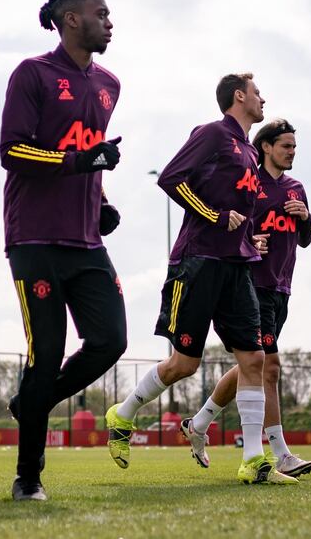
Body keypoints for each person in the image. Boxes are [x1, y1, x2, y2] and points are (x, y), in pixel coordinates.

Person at [106, 73, 299, 485]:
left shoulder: (249, 151)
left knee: (253, 359)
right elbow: (170, 177)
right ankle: (122, 414)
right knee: (184, 365)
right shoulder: (213, 133)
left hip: (237, 266)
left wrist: (251, 238)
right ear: (239, 96)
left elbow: (239, 212)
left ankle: (253, 460)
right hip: (197, 262)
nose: (263, 98)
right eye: (258, 92)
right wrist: (213, 216)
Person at [0, 0, 128, 501]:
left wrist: (100, 202)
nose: (110, 21)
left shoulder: (109, 85)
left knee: (111, 340)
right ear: (69, 20)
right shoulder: (32, 73)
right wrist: (81, 163)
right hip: (33, 238)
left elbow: (88, 153)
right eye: (101, 14)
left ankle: (33, 402)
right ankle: (28, 477)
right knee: (45, 354)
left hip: (86, 239)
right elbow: (12, 151)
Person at [181, 118, 311, 477]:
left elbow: (306, 239)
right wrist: (249, 241)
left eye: (294, 147)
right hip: (250, 285)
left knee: (251, 365)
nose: (291, 152)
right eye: (285, 145)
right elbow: (232, 227)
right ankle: (280, 453)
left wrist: (306, 218)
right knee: (269, 367)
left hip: (281, 287)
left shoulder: (296, 188)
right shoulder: (249, 184)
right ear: (267, 146)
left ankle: (198, 423)